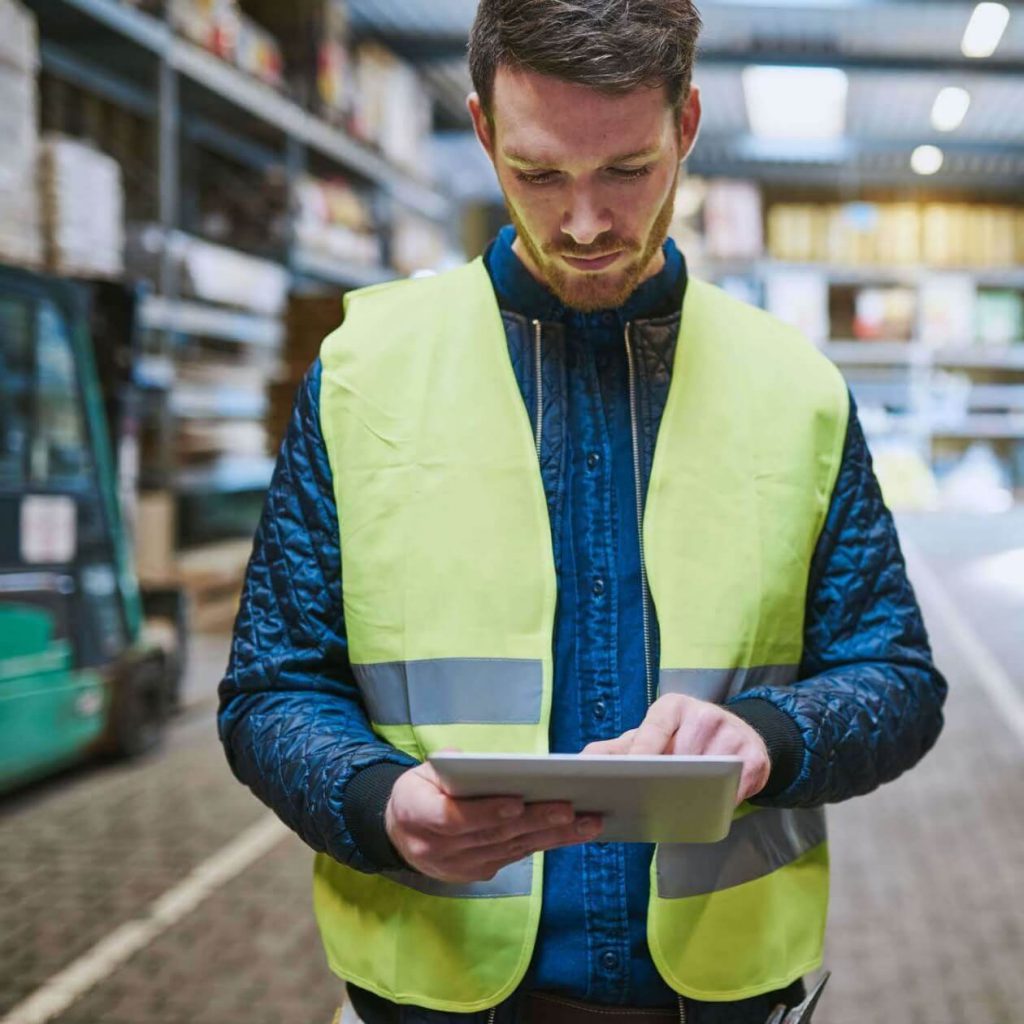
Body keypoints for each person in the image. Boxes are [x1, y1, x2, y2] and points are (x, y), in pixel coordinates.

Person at [217, 1, 948, 1022]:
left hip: (719, 996)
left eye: (627, 170)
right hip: (435, 987)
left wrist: (769, 735)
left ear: (685, 125)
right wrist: (375, 801)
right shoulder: (361, 376)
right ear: (482, 131)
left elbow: (896, 679)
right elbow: (269, 687)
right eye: (540, 174)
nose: (587, 222)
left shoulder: (796, 390)